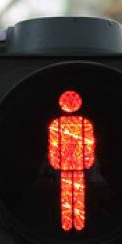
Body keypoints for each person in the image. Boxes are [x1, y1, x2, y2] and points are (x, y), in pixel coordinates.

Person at [47, 90, 96, 231]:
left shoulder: (79, 123)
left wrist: (56, 162)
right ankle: (71, 224)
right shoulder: (80, 123)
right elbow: (54, 144)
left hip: (71, 164)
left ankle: (73, 224)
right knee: (70, 194)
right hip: (72, 164)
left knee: (72, 194)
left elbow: (88, 144)